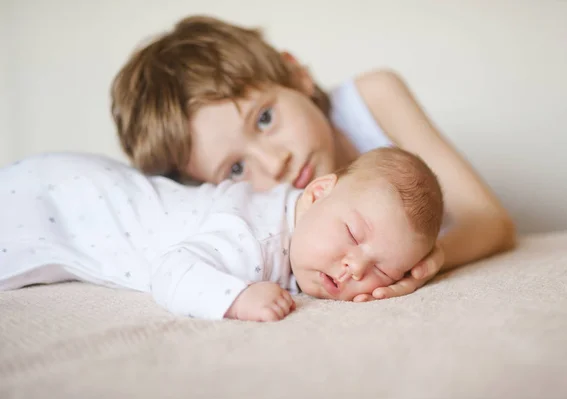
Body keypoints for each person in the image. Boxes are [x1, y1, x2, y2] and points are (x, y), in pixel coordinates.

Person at [110, 15, 516, 302]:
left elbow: (492, 222)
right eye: (236, 168)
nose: (275, 163)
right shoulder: (260, 226)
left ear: (296, 75)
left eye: (264, 119)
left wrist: (427, 262)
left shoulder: (375, 98)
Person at [0, 147, 443, 321]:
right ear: (317, 193)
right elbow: (172, 271)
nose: (355, 267)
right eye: (351, 233)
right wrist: (237, 297)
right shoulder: (256, 235)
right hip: (62, 200)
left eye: (381, 270)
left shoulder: (301, 232)